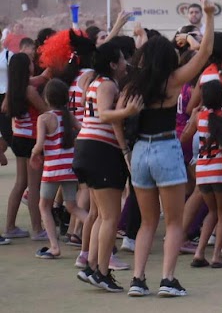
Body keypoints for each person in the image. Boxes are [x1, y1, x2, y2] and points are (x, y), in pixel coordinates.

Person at [122, 1, 217, 297]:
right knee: (174, 222)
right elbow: (204, 53)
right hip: (166, 148)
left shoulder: (133, 84)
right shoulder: (173, 81)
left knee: (147, 222)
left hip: (140, 152)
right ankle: (167, 279)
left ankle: (137, 279)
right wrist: (209, 17)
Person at [72, 42, 137, 292]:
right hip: (100, 149)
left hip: (87, 147)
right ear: (112, 64)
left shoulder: (93, 81)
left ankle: (92, 266)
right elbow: (105, 114)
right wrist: (129, 110)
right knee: (110, 216)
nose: (125, 64)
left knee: (101, 214)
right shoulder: (108, 84)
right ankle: (101, 271)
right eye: (121, 59)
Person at [30, 79, 88, 259]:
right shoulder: (67, 115)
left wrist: (34, 154)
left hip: (52, 169)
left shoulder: (44, 118)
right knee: (72, 206)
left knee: (44, 206)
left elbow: (40, 144)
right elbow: (82, 130)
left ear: (46, 98)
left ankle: (54, 246)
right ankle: (96, 227)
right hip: (69, 169)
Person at [183, 79, 222, 269]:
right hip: (220, 169)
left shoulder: (199, 117)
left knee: (212, 212)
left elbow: (185, 136)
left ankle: (199, 252)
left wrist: (192, 116)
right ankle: (216, 255)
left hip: (202, 170)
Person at [2, 53, 49, 240]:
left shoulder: (13, 89)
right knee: (33, 186)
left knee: (20, 183)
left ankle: (10, 227)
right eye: (30, 62)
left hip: (19, 137)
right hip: (32, 140)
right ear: (26, 67)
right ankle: (37, 229)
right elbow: (45, 110)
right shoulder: (29, 90)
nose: (33, 64)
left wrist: (44, 76)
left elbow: (4, 108)